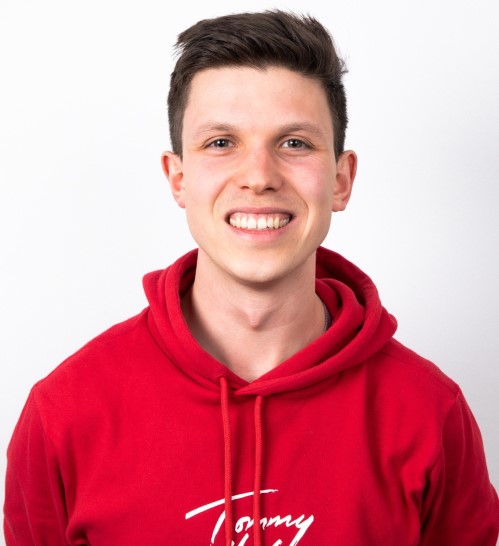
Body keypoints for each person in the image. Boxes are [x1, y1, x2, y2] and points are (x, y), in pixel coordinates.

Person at [4, 10, 498, 546]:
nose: (259, 177)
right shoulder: (65, 412)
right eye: (221, 143)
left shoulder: (429, 412)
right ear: (178, 178)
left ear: (340, 180)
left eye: (294, 143)